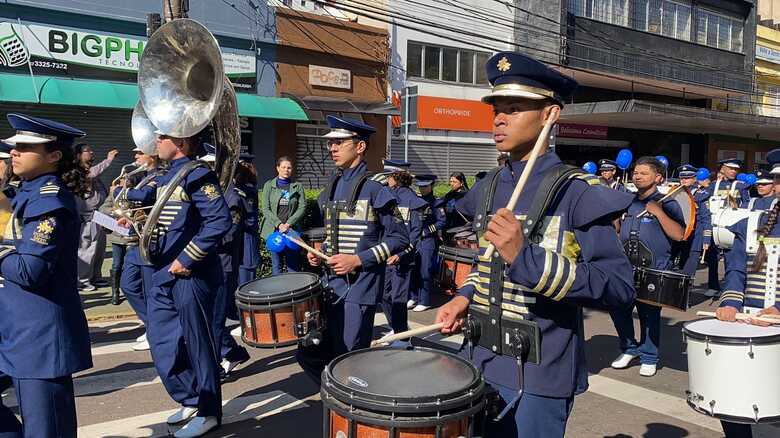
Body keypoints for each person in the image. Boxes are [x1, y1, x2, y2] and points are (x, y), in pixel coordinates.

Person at [434, 52, 635, 438]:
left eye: (514, 108)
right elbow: (486, 264)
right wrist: (463, 297)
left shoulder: (577, 192)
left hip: (539, 374)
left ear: (549, 116)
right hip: (478, 357)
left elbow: (620, 288)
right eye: (497, 109)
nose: (499, 118)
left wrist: (526, 257)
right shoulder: (489, 187)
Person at [121, 129, 231, 438]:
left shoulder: (198, 175)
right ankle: (192, 398)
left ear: (180, 142)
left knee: (198, 344)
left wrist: (187, 258)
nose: (155, 142)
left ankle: (209, 411)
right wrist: (135, 221)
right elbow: (167, 220)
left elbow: (219, 221)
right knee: (162, 342)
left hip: (190, 274)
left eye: (162, 136)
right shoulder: (169, 175)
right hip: (163, 271)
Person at [0, 113, 93, 437]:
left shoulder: (50, 201)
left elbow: (30, 271)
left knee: (47, 431)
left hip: (38, 336)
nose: (14, 151)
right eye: (14, 146)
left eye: (25, 147)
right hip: (15, 327)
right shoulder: (26, 191)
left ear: (53, 156)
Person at [299, 116, 409, 381]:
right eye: (330, 143)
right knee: (310, 353)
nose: (332, 148)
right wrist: (320, 253)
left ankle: (350, 407)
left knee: (349, 358)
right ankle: (339, 399)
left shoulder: (375, 189)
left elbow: (400, 239)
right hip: (331, 285)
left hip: (360, 287)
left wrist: (357, 260)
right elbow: (335, 235)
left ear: (359, 147)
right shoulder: (333, 186)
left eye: (339, 142)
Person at [714, 149, 780, 438]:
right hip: (751, 323)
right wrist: (730, 303)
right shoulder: (752, 222)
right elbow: (737, 271)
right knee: (736, 404)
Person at [610, 157, 685, 377]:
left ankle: (649, 356)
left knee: (649, 315)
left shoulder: (667, 202)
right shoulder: (627, 201)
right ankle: (629, 348)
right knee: (618, 308)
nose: (637, 175)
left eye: (644, 173)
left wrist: (659, 213)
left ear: (658, 177)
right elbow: (618, 229)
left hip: (653, 268)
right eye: (636, 172)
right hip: (625, 266)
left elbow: (678, 234)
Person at [200, 144, 251, 378]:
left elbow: (229, 233)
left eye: (209, 166)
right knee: (207, 319)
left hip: (223, 265)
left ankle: (218, 366)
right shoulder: (209, 193)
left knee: (215, 321)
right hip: (206, 263)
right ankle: (232, 352)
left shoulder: (232, 196)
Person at [109, 149, 162, 351]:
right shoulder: (144, 176)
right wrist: (128, 218)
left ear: (152, 155)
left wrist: (118, 191)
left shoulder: (159, 175)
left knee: (150, 290)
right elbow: (141, 206)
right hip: (136, 237)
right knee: (128, 284)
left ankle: (155, 330)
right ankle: (152, 325)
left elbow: (146, 195)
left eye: (140, 153)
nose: (136, 158)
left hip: (150, 240)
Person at [381, 160, 425, 334]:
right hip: (385, 254)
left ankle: (401, 335)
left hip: (402, 258)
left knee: (398, 298)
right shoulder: (385, 196)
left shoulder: (414, 201)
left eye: (389, 177)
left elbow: (415, 234)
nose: (386, 181)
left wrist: (402, 255)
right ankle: (397, 327)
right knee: (384, 295)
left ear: (396, 177)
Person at [74, 143, 119, 291]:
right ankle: (83, 280)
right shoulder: (78, 171)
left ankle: (96, 277)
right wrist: (108, 160)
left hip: (99, 216)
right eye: (87, 151)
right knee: (87, 248)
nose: (92, 152)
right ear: (79, 155)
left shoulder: (89, 171)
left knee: (99, 249)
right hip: (87, 216)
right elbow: (92, 174)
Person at [260, 155, 306, 275]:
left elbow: (302, 207)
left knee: (293, 265)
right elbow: (265, 208)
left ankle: (293, 292)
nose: (286, 170)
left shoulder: (297, 186)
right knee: (276, 266)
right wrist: (279, 224)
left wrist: (288, 224)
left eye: (289, 168)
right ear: (278, 168)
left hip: (291, 231)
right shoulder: (268, 185)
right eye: (284, 167)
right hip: (274, 231)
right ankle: (278, 292)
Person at [408, 174, 446, 312]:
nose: (423, 189)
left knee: (425, 270)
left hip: (427, 240)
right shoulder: (416, 201)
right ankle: (413, 297)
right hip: (415, 239)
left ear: (432, 186)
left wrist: (426, 231)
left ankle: (425, 300)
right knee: (413, 268)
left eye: (425, 186)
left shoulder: (436, 202)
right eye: (420, 186)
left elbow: (442, 222)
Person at [678, 164, 712, 276]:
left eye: (687, 178)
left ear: (694, 178)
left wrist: (706, 239)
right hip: (678, 234)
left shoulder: (701, 194)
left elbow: (706, 218)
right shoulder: (676, 192)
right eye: (682, 178)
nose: (684, 180)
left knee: (688, 271)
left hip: (695, 236)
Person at [237, 154, 260, 285]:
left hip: (246, 244)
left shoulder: (248, 190)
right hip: (238, 244)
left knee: (245, 284)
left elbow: (250, 219)